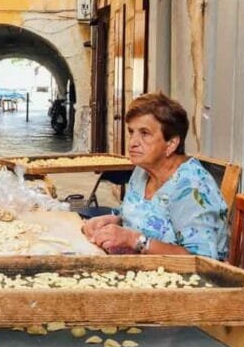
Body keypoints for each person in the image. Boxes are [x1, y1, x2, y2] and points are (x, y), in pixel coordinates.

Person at [83, 92, 229, 260]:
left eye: (144, 133)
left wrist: (135, 240)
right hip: (138, 266)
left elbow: (202, 260)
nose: (133, 143)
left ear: (171, 143)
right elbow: (133, 215)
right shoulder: (143, 170)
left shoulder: (192, 187)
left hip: (179, 275)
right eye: (131, 132)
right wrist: (111, 220)